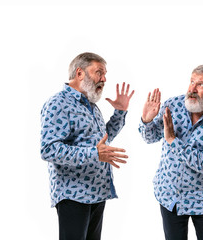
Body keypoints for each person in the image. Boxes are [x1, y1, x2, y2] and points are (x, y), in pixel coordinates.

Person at [40, 52, 134, 240]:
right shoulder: (58, 103)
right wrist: (94, 153)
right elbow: (48, 149)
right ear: (80, 73)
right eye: (99, 72)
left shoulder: (90, 105)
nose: (104, 79)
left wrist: (120, 112)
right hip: (73, 194)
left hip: (97, 191)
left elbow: (101, 142)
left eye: (105, 74)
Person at [138, 64, 203, 240]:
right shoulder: (173, 105)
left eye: (200, 84)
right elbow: (150, 137)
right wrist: (146, 120)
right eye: (192, 82)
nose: (191, 89)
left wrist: (173, 142)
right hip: (170, 196)